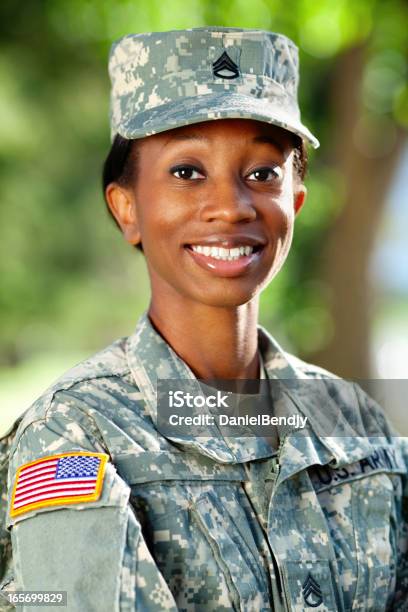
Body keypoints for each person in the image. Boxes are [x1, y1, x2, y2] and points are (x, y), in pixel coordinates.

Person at [1, 26, 407, 612]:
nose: (230, 205)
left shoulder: (353, 418)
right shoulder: (75, 436)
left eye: (263, 173)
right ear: (127, 208)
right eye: (187, 171)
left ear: (294, 200)